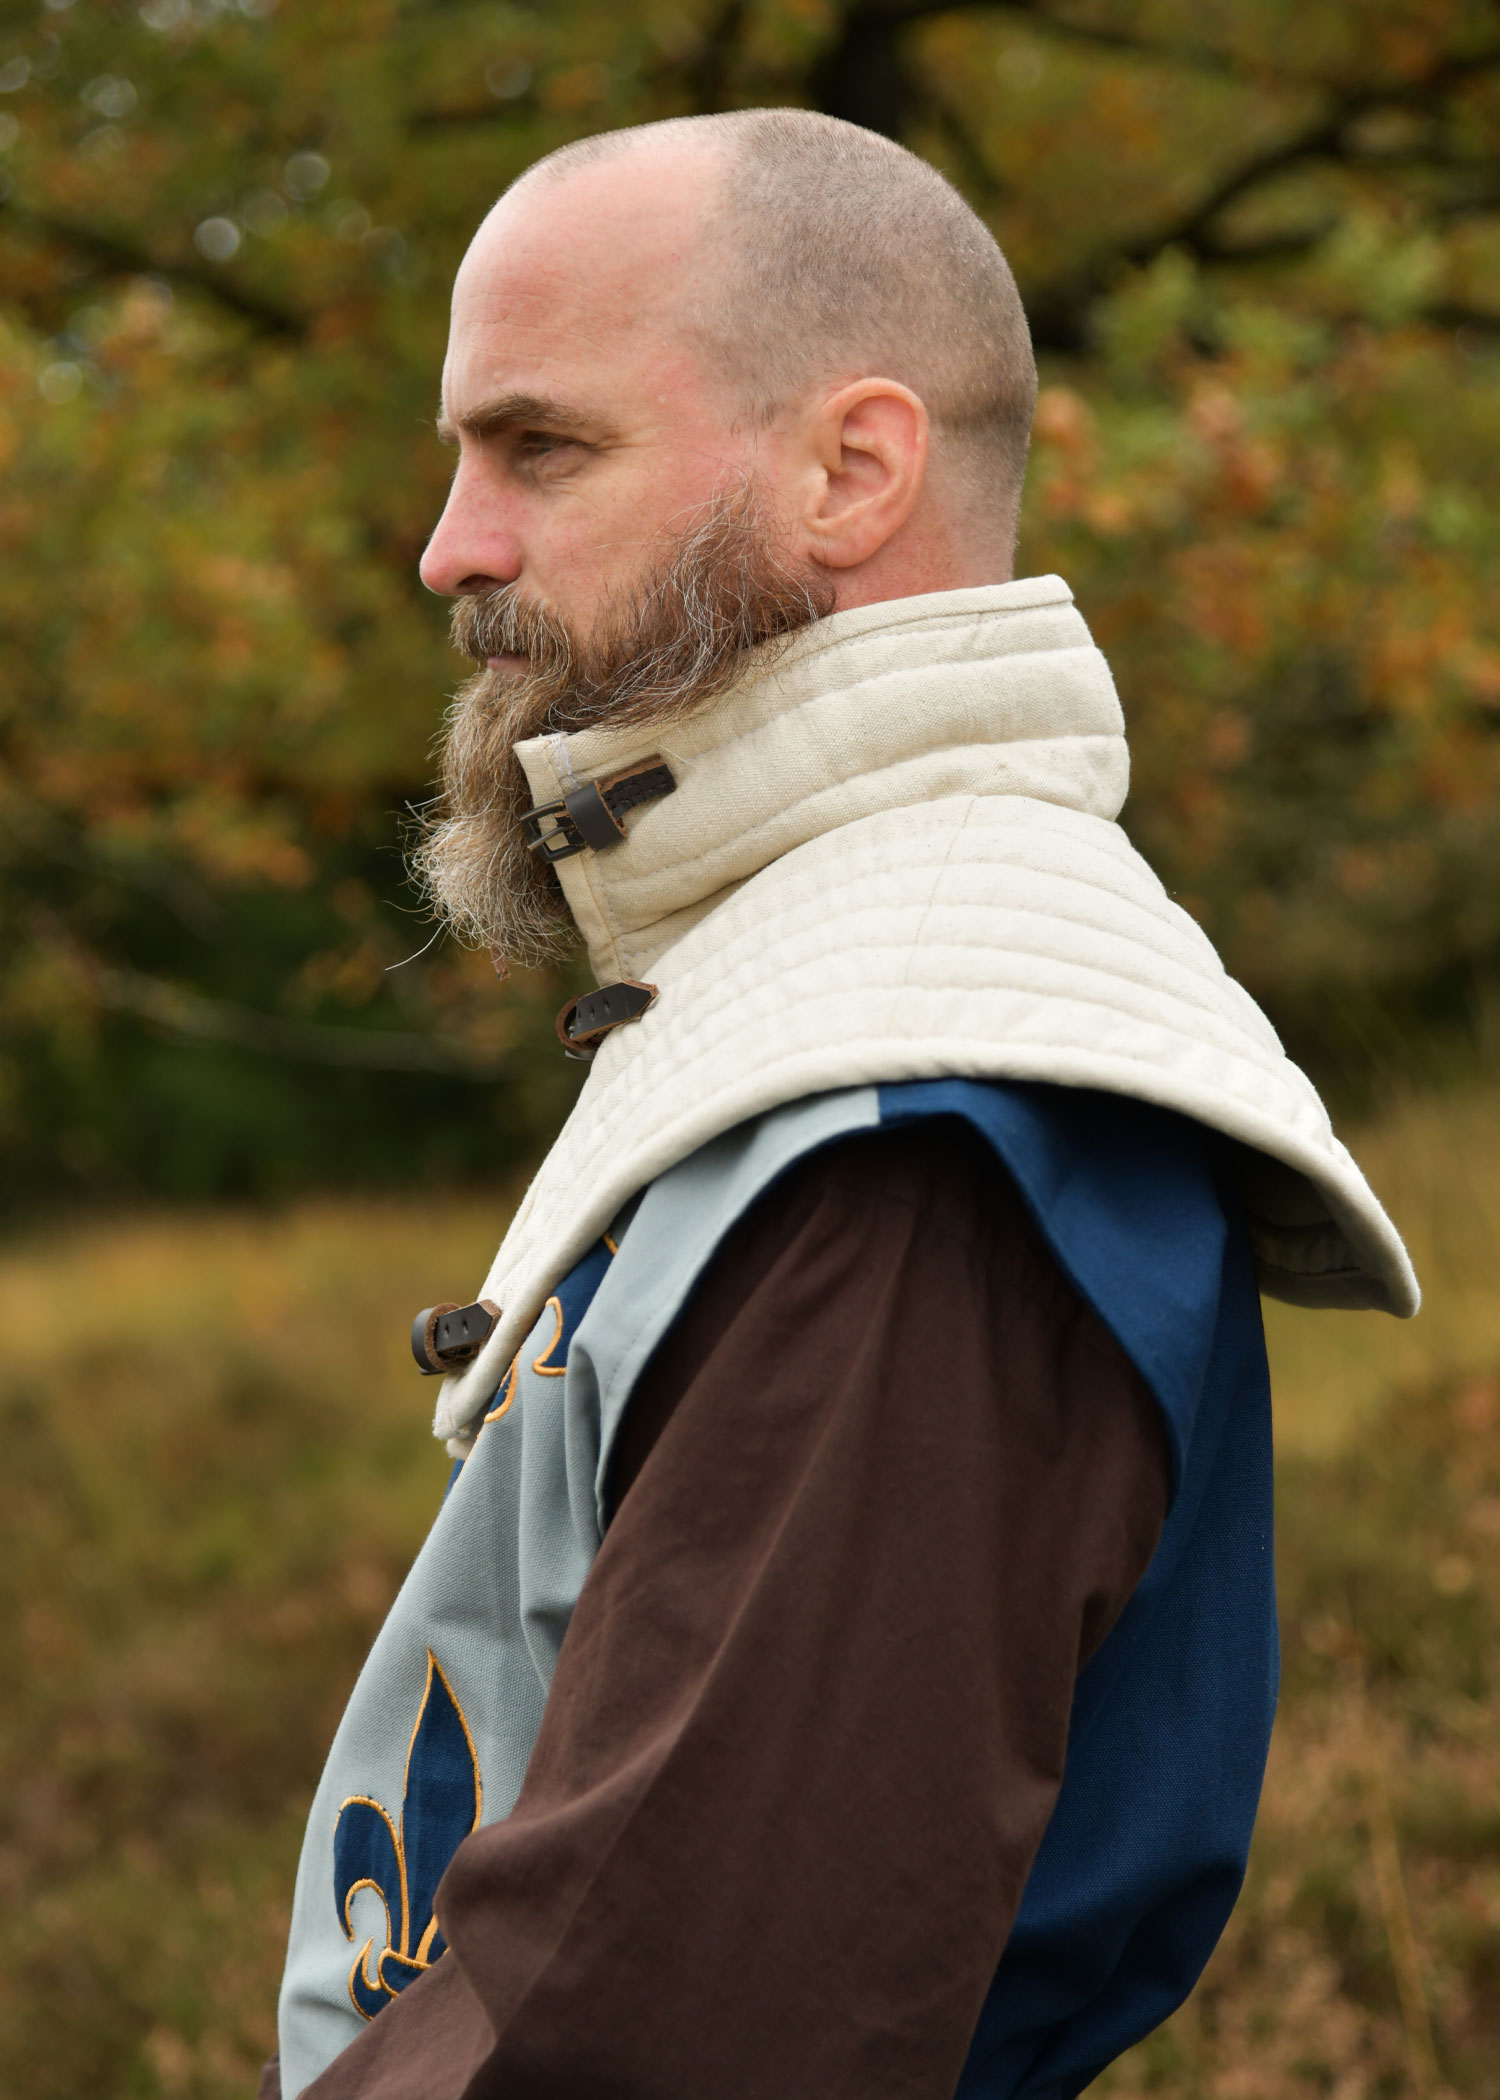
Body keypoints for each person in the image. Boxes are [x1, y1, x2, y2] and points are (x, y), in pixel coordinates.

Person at [266, 109, 1417, 2100]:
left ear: (850, 470)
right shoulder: (823, 998)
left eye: (539, 448)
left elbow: (668, 2029)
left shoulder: (923, 1116)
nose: (450, 547)